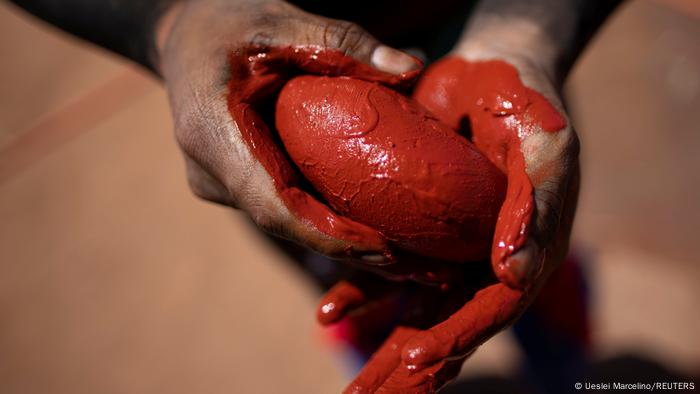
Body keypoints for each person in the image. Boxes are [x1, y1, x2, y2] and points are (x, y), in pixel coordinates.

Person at [8, 0, 621, 391]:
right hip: (265, 74)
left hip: (480, 33)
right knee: (336, 251)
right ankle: (371, 328)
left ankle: (563, 357)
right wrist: (165, 23)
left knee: (527, 233)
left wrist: (531, 25)